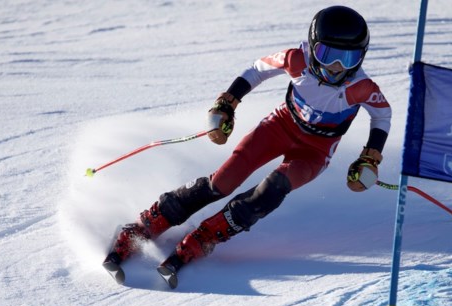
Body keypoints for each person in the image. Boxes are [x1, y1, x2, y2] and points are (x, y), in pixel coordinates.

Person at [103, 5, 392, 289]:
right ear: (313, 47)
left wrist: (370, 156)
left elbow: (382, 114)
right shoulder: (296, 60)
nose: (336, 68)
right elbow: (257, 69)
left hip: (315, 150)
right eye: (327, 55)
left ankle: (207, 237)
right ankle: (147, 224)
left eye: (348, 59)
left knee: (272, 190)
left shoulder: (362, 87)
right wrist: (228, 102)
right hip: (280, 126)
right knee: (222, 182)